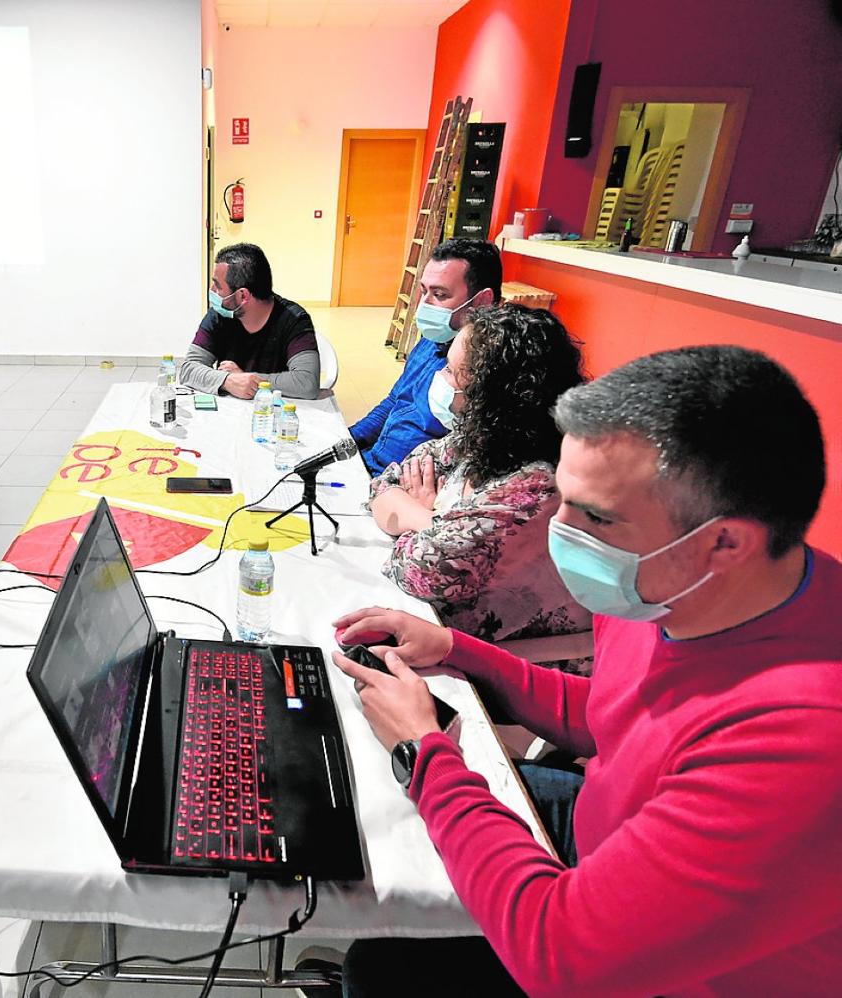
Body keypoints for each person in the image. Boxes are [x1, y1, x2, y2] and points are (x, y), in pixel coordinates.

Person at [330, 345, 840, 996]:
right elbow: (606, 711)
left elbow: (560, 955)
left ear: (724, 541)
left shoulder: (803, 740)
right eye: (563, 500)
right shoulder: (679, 586)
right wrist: (456, 650)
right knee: (360, 814)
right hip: (603, 824)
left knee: (384, 967)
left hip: (646, 969)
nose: (559, 531)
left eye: (595, 518)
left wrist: (421, 752)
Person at [369, 304, 590, 647]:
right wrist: (434, 520)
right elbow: (387, 483)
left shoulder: (534, 489)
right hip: (444, 632)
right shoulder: (482, 437)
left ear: (489, 395)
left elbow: (414, 569)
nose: (440, 380)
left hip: (510, 669)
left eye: (453, 373)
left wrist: (427, 518)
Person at [349, 238, 501, 474]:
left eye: (439, 295)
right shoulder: (432, 339)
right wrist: (347, 440)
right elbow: (395, 400)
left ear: (481, 301)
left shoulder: (490, 367)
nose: (425, 304)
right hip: (371, 464)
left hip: (403, 486)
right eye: (423, 291)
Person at [178, 243, 320, 400]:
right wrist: (228, 380)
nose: (212, 291)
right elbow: (188, 369)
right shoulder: (218, 315)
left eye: (218, 285)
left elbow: (307, 383)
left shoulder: (294, 320)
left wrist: (248, 379)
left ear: (243, 295)